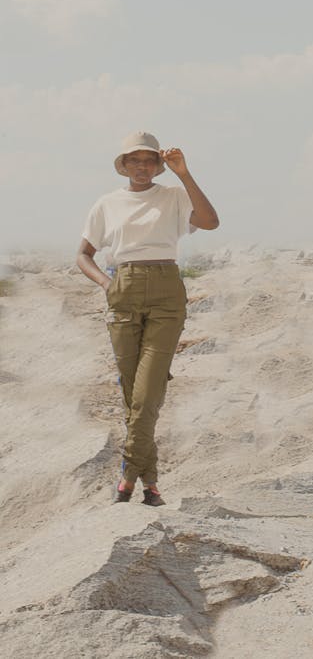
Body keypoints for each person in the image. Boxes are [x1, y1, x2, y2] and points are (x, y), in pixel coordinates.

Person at [76, 131, 219, 506]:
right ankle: (150, 483)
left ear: (158, 165)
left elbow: (210, 221)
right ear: (123, 165)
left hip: (166, 288)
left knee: (148, 389)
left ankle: (127, 475)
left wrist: (184, 174)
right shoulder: (107, 204)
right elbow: (83, 255)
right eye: (134, 161)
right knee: (131, 390)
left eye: (149, 161)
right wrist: (108, 284)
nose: (141, 167)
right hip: (123, 287)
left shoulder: (173, 195)